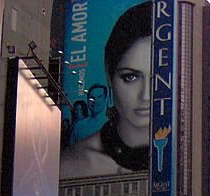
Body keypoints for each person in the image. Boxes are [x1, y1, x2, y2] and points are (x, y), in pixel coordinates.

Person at [60, 2, 152, 177]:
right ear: (109, 76)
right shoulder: (72, 164)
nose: (145, 95)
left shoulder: (187, 164)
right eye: (130, 77)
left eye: (157, 79)